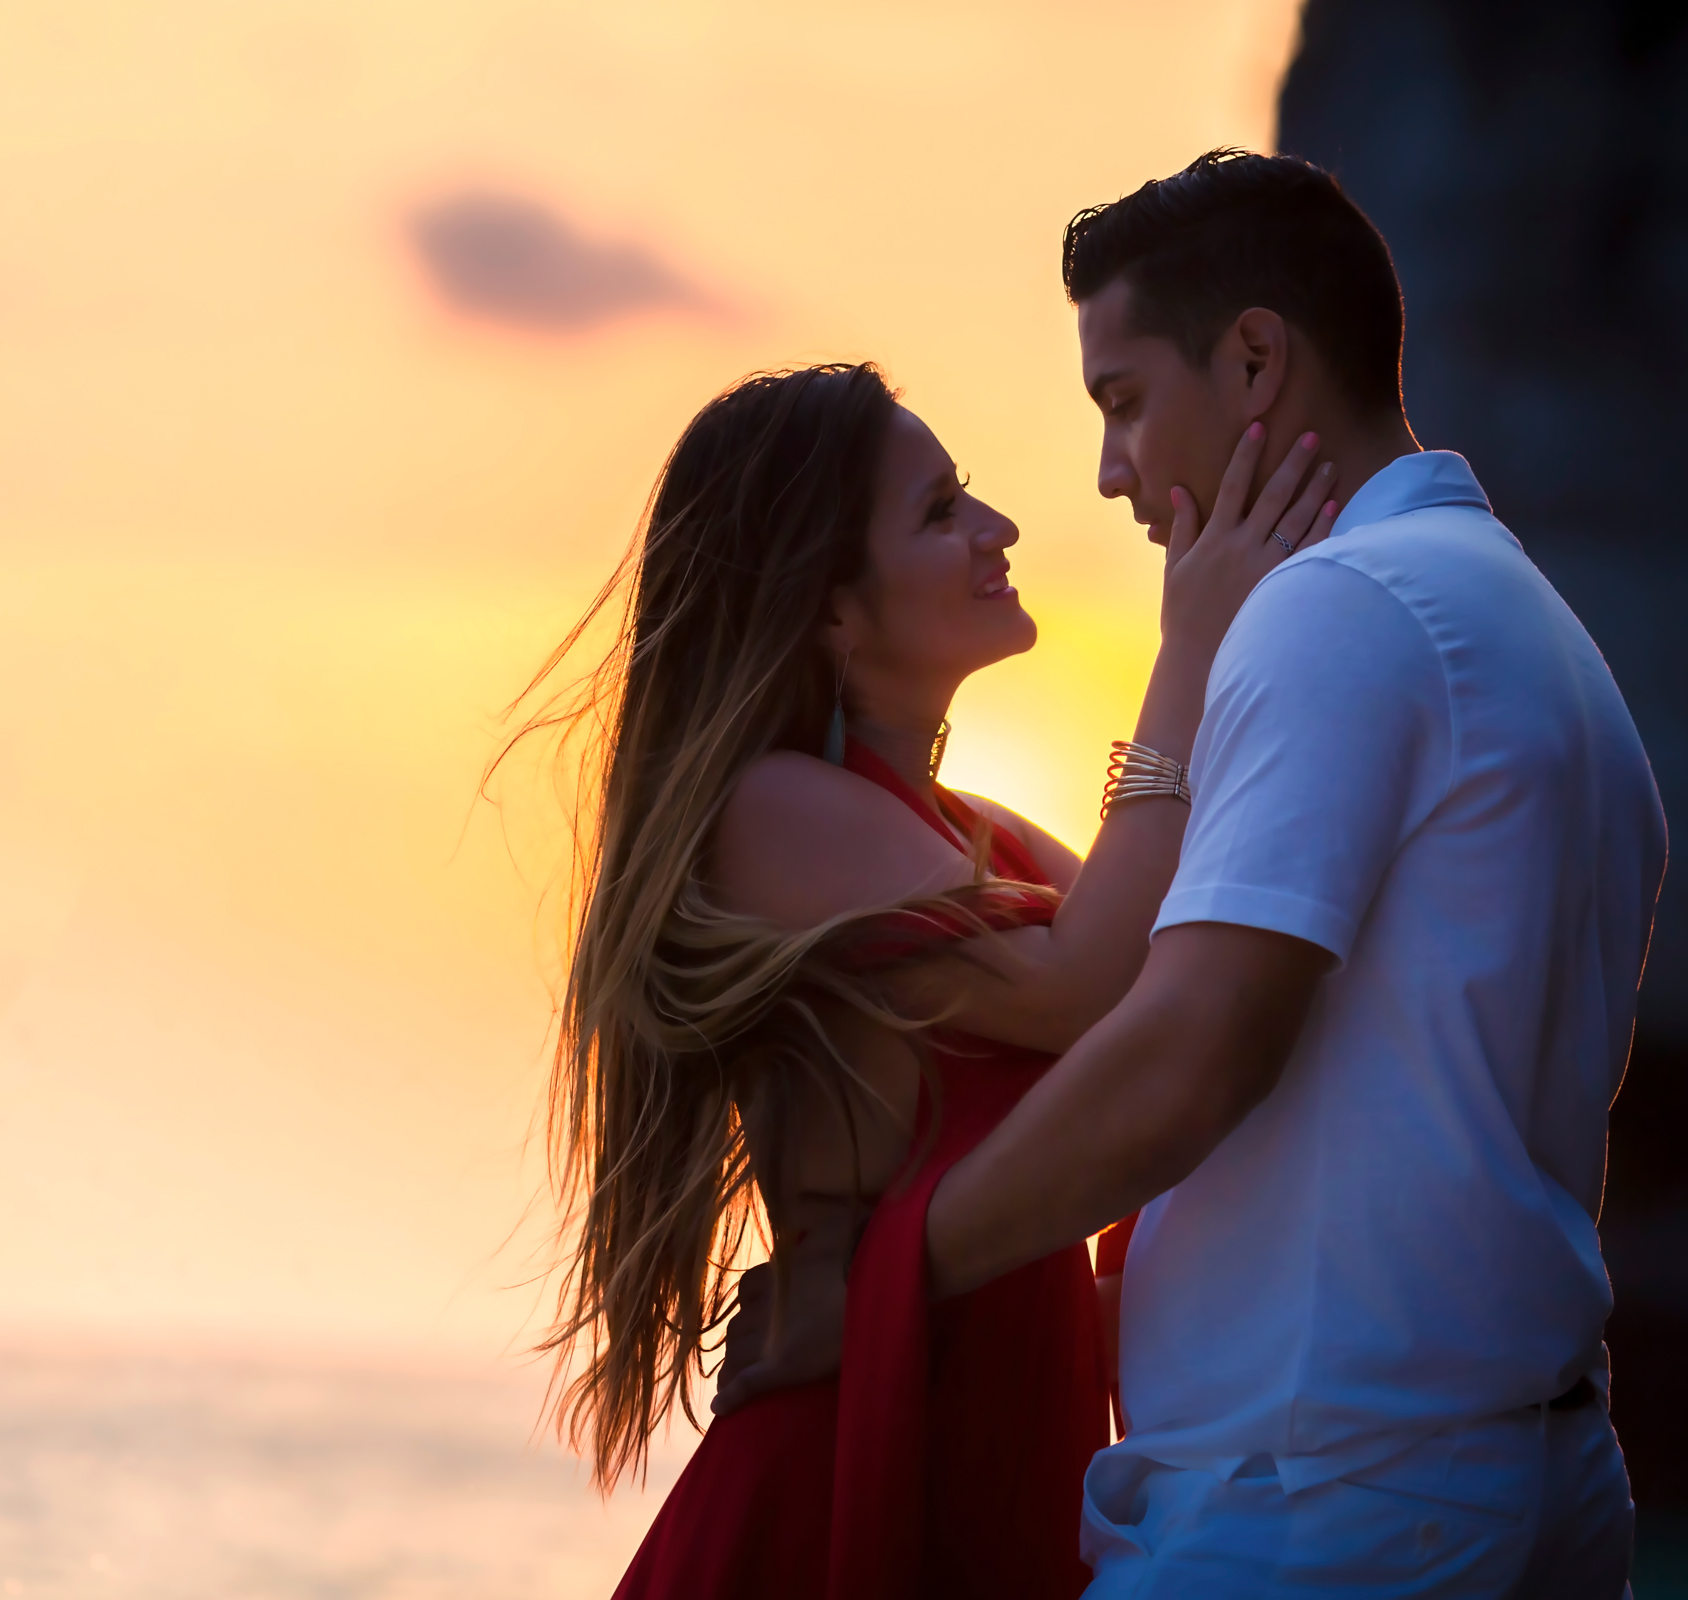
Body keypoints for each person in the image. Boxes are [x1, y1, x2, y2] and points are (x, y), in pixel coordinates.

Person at [723, 151, 1669, 1597]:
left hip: (1327, 1502)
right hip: (1519, 1470)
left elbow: (1189, 1048)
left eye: (1123, 402)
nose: (1110, 474)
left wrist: (877, 1283)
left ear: (1251, 362)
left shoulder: (1335, 612)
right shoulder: (1534, 628)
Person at [510, 359, 1339, 1600]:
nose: (998, 529)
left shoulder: (978, 835)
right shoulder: (769, 813)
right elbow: (1079, 987)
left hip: (990, 1421)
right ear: (833, 612)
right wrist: (1190, 647)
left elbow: (1182, 968)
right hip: (851, 1455)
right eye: (942, 510)